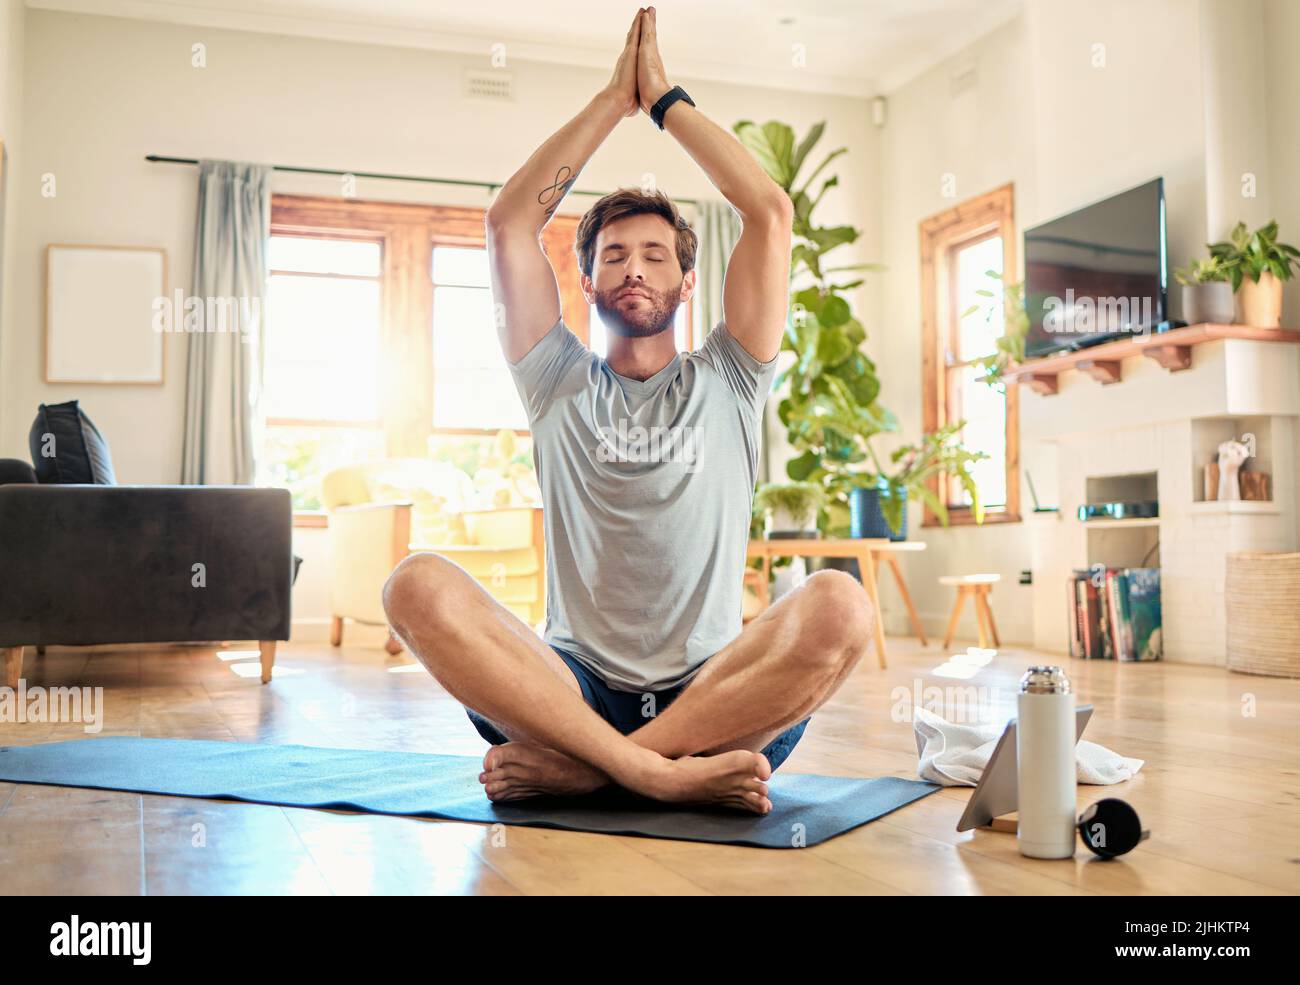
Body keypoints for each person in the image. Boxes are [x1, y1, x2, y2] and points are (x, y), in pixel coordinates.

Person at [383, 7, 875, 814]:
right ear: (587, 283)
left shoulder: (732, 374)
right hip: (569, 693)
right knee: (414, 586)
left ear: (688, 284)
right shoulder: (554, 377)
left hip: (715, 697)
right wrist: (615, 100)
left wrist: (665, 101)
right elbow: (510, 220)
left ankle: (597, 771)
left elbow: (770, 213)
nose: (634, 268)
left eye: (655, 255)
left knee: (843, 603)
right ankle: (658, 773)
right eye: (613, 254)